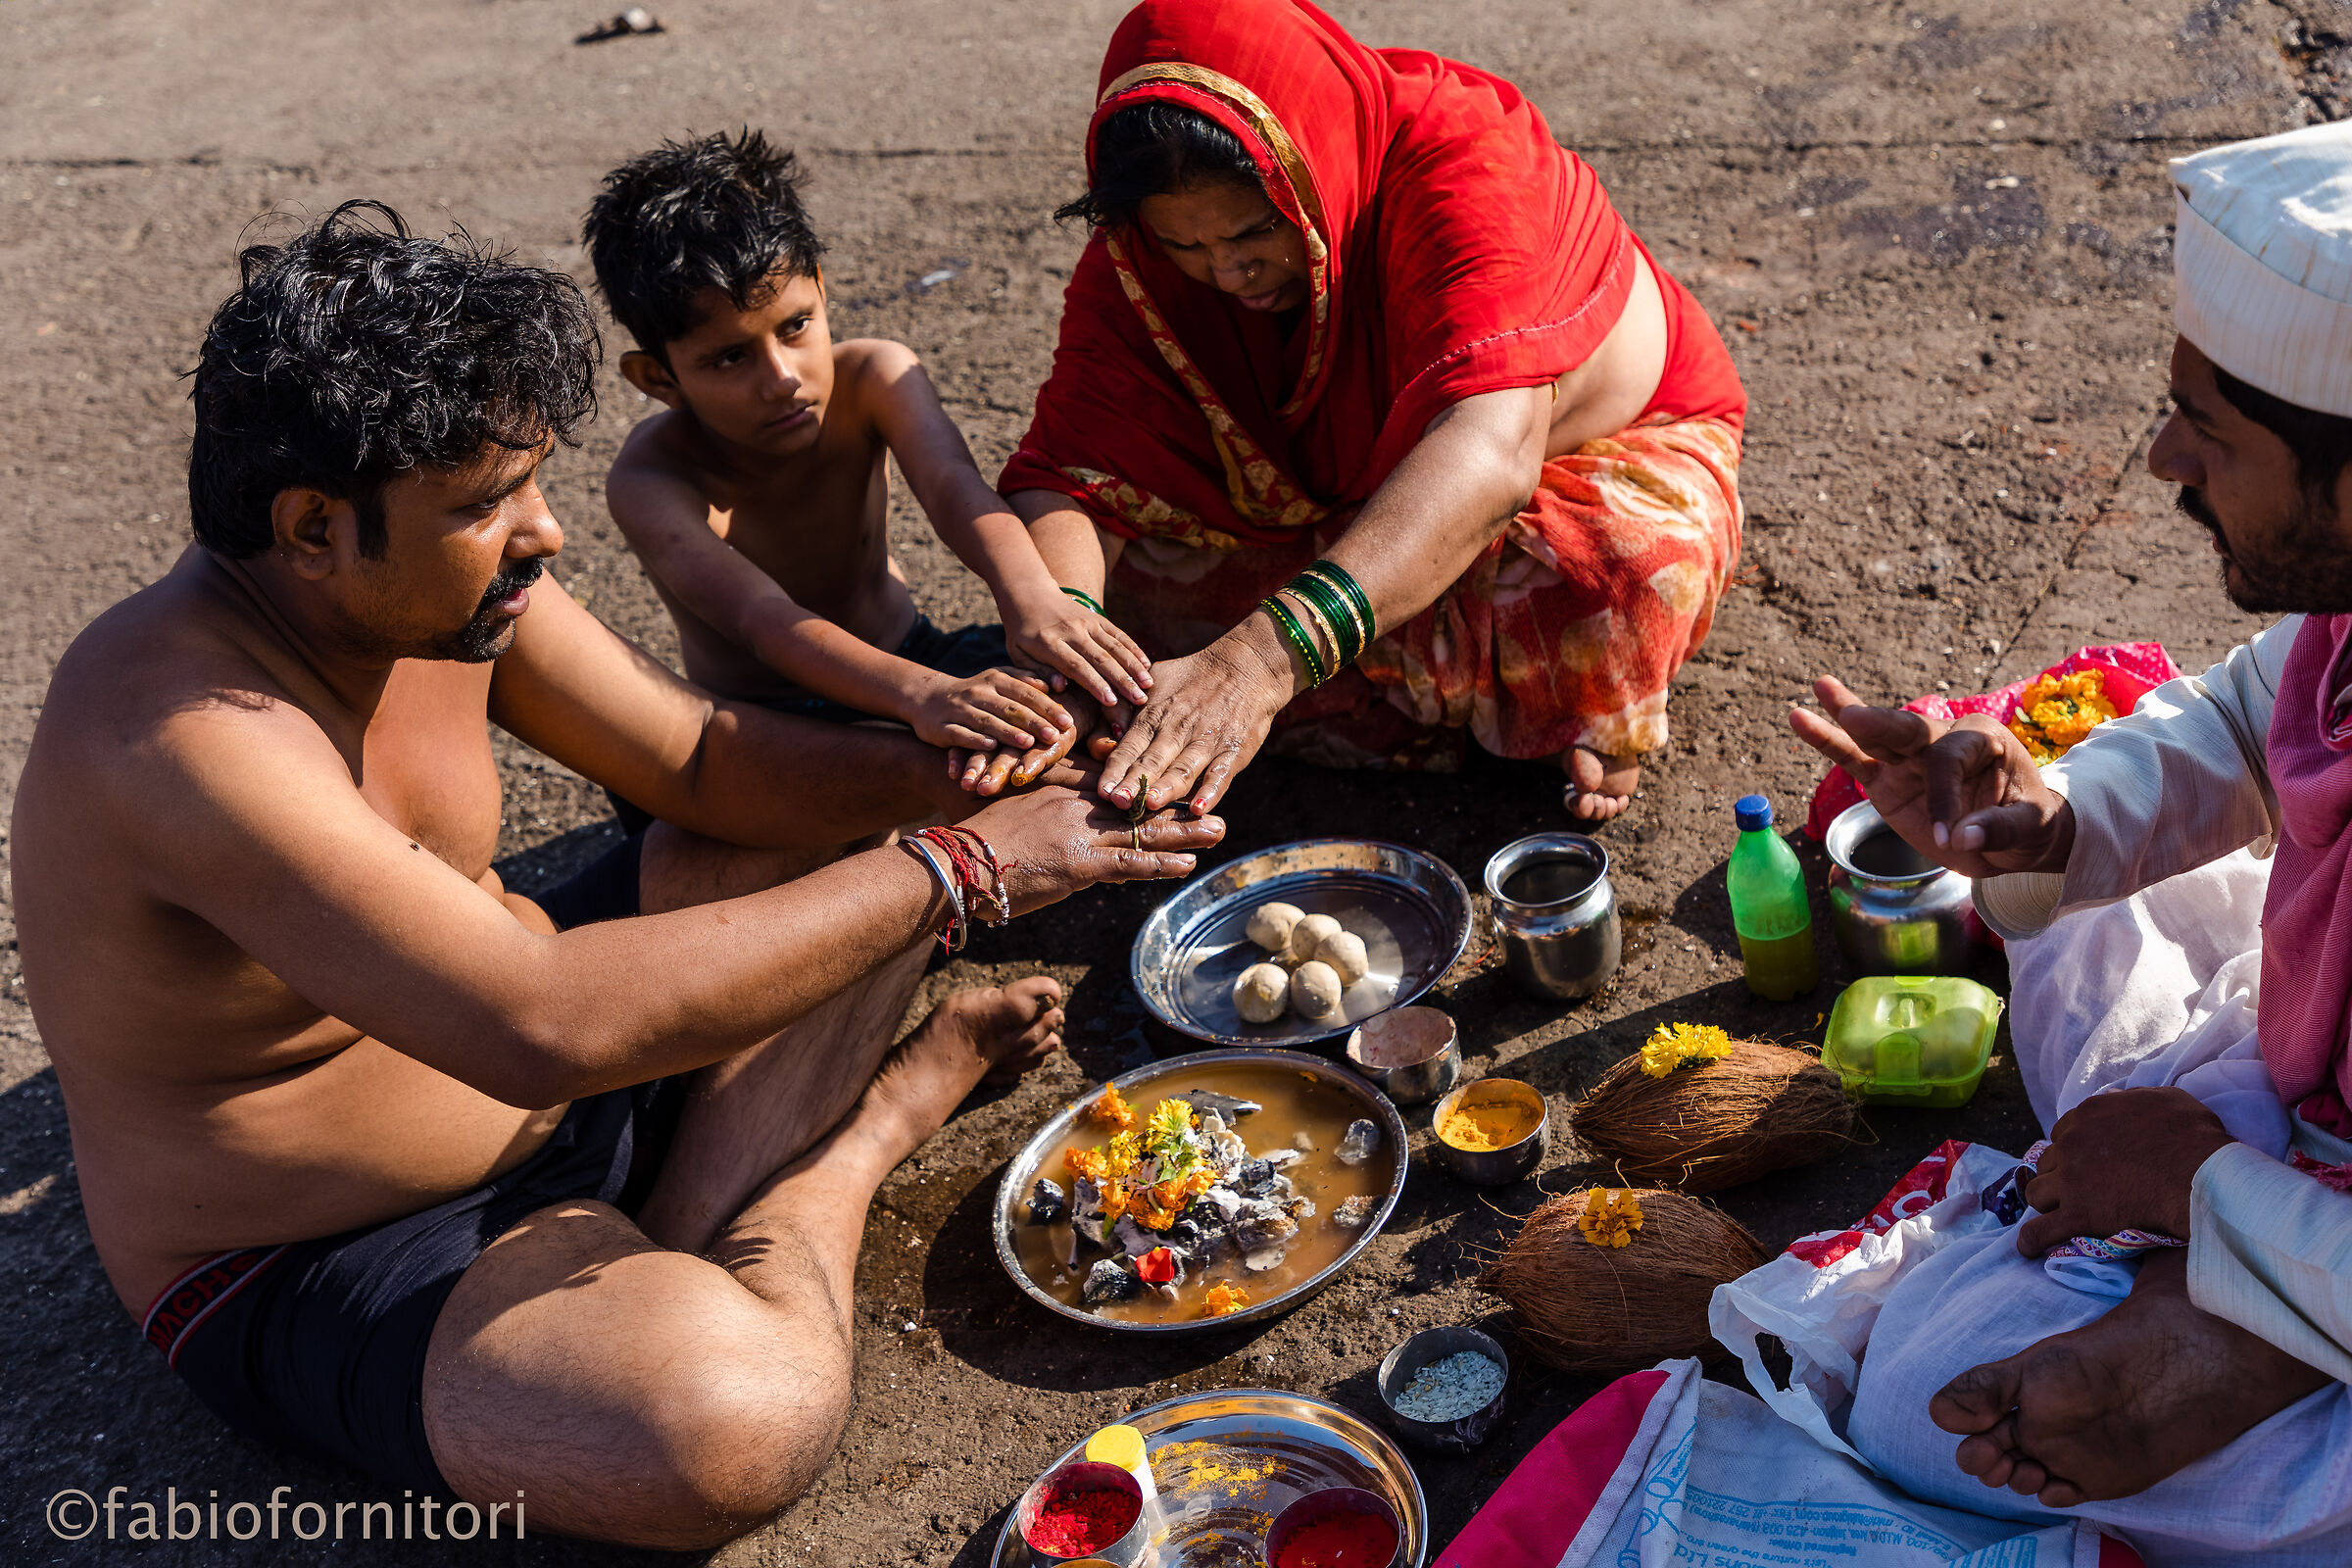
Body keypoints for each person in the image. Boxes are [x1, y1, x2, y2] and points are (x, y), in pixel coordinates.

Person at [8, 202, 1220, 1550]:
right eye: (487, 505)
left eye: (531, 482)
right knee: (721, 1420)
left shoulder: (433, 589)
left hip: (573, 1069)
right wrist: (973, 864)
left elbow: (699, 758)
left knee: (835, 833)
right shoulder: (177, 738)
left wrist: (967, 777)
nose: (546, 532)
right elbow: (536, 1023)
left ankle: (693, 1214)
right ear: (309, 527)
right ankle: (854, 1146)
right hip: (344, 1251)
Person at [1789, 122, 2352, 1565]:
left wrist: (2199, 1190)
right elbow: (2245, 715)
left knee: (1920, 1400)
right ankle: (2237, 1307)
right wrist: (2048, 820)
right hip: (2314, 1101)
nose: (2162, 458)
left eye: (2211, 430)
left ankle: (2255, 1333)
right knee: (2073, 916)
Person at [996, 0, 1745, 823]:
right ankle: (1491, 704)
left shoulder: (1468, 163)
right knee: (1138, 610)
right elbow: (1070, 472)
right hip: (1344, 502)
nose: (1229, 274)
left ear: (1313, 166)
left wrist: (1259, 662)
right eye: (1188, 247)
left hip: (1566, 457)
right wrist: (1071, 653)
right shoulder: (1139, 257)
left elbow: (1490, 455)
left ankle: (1529, 705)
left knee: (1612, 570)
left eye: (1254, 235)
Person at [584, 129, 1152, 785]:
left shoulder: (876, 376)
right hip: (770, 714)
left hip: (912, 653)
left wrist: (1036, 600)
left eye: (796, 326)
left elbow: (954, 489)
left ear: (821, 290)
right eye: (730, 358)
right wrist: (923, 699)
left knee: (1088, 709)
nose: (782, 379)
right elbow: (765, 621)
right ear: (657, 378)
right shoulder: (651, 480)